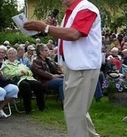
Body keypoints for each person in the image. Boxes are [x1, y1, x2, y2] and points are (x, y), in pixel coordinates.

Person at [24, 0, 102, 136]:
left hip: (82, 67)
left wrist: (45, 28)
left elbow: (74, 34)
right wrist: (52, 29)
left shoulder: (86, 8)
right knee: (77, 111)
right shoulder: (71, 12)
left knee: (74, 112)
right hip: (75, 66)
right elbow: (64, 38)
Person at [1, 48, 45, 114]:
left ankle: (41, 107)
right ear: (7, 55)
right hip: (16, 80)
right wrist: (19, 72)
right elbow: (7, 74)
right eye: (9, 53)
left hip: (26, 78)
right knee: (25, 86)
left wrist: (27, 73)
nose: (11, 55)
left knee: (38, 84)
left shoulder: (19, 63)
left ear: (15, 55)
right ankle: (28, 109)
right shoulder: (5, 64)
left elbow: (29, 71)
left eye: (12, 53)